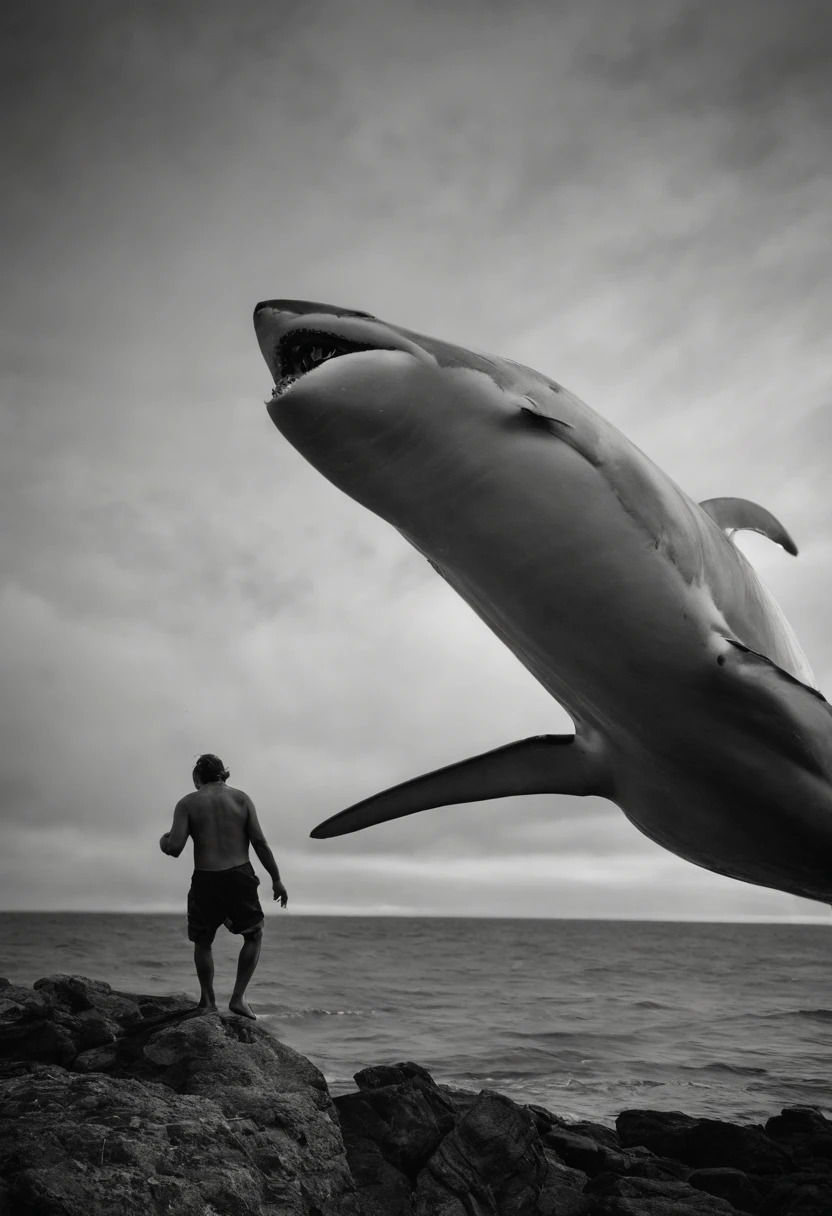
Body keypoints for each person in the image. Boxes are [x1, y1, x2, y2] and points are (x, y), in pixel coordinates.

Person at [160, 753, 288, 1019]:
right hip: (239, 876)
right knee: (253, 935)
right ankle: (239, 998)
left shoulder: (187, 803)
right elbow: (260, 843)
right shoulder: (241, 799)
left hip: (206, 878)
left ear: (197, 777)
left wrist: (164, 840)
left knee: (203, 941)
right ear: (223, 774)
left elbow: (174, 848)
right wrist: (276, 878)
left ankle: (207, 1000)